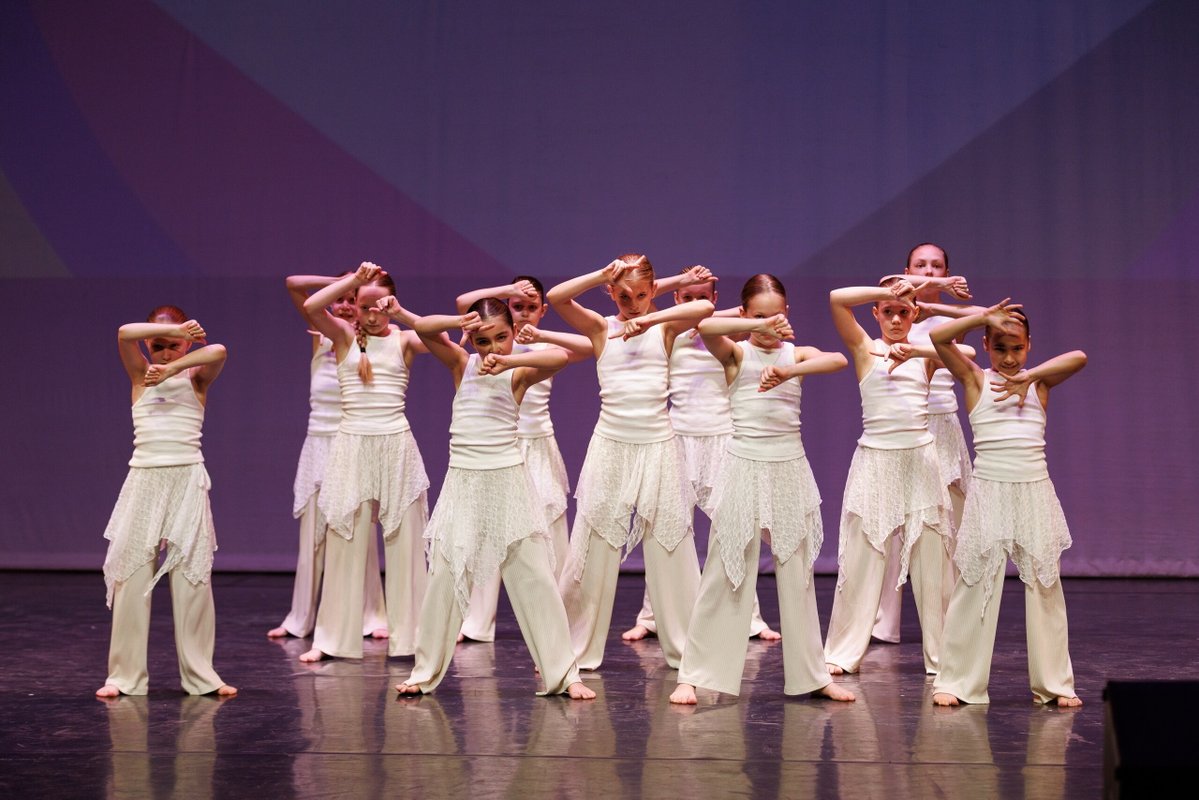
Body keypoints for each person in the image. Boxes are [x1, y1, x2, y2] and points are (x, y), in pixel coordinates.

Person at [394, 298, 594, 699]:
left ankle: (564, 674)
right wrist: (458, 320)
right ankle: (424, 672)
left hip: (508, 483)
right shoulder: (461, 364)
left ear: (513, 333)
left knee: (535, 578)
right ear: (472, 339)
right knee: (445, 577)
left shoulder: (518, 373)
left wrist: (510, 360)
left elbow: (561, 356)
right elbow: (425, 327)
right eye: (484, 341)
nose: (493, 348)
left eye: (502, 337)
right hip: (464, 483)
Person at [669, 274, 854, 704]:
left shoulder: (796, 354)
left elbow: (838, 360)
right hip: (743, 468)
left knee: (797, 572)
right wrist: (754, 327)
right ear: (745, 315)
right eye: (759, 317)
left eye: (776, 316)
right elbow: (705, 326)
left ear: (787, 314)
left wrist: (790, 370)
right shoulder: (737, 353)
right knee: (724, 570)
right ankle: (691, 675)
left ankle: (813, 675)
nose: (770, 325)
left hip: (789, 469)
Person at [548, 254, 714, 670]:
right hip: (611, 446)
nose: (634, 304)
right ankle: (572, 648)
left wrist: (652, 315)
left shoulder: (666, 327)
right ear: (610, 293)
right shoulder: (601, 328)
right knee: (594, 543)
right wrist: (599, 275)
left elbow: (704, 307)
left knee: (671, 543)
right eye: (624, 296)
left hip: (659, 446)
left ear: (654, 291)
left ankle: (686, 650)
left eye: (642, 295)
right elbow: (557, 298)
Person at [929, 301, 1085, 707]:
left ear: (1030, 345)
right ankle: (957, 681)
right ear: (985, 346)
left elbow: (1079, 357)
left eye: (1017, 348)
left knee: (1045, 585)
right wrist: (983, 316)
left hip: (1034, 492)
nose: (1010, 358)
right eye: (1000, 348)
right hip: (990, 492)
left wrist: (1030, 376)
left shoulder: (1039, 384)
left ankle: (1054, 684)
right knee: (974, 583)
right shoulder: (976, 379)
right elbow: (938, 338)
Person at [622, 267, 780, 643]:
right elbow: (651, 304)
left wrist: (712, 316)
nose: (694, 304)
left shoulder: (730, 329)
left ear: (714, 296)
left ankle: (751, 618)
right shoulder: (666, 330)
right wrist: (679, 290)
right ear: (676, 298)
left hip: (722, 439)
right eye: (686, 297)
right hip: (676, 438)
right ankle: (652, 616)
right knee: (665, 531)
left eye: (702, 297)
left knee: (734, 531)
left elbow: (742, 318)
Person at [822, 279, 967, 676]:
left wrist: (918, 349)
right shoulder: (865, 348)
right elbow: (837, 299)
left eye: (904, 311)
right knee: (863, 557)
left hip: (921, 462)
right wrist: (886, 291)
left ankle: (942, 658)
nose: (897, 319)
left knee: (933, 561)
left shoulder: (925, 355)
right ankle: (843, 652)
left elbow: (968, 352)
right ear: (876, 313)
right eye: (889, 311)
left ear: (915, 314)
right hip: (875, 461)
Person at [96, 308, 236, 697]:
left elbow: (219, 351)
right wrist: (175, 331)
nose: (165, 352)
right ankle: (124, 677)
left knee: (192, 577)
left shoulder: (195, 377)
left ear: (187, 345)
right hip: (144, 480)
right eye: (157, 346)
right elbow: (123, 331)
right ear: (148, 344)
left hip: (187, 479)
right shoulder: (139, 375)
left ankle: (201, 676)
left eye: (174, 345)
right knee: (131, 576)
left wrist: (175, 365)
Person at [298, 263, 430, 662]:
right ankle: (332, 638)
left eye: (380, 306)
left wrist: (403, 313)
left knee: (405, 543)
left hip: (396, 446)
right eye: (364, 306)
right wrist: (352, 281)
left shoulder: (405, 339)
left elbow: (441, 336)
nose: (372, 314)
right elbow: (311, 306)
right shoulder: (341, 336)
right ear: (354, 305)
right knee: (345, 539)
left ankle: (413, 637)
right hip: (351, 446)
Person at [450, 277, 591, 643]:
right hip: (500, 448)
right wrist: (506, 291)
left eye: (532, 307)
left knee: (548, 532)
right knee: (487, 531)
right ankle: (476, 621)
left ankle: (558, 627)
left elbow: (590, 346)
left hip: (537, 445)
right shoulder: (491, 344)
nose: (525, 312)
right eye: (518, 306)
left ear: (542, 310)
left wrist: (540, 335)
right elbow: (464, 301)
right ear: (508, 311)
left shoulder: (543, 347)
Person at [268, 273, 388, 641]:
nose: (346, 305)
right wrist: (347, 278)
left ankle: (371, 615)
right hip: (319, 445)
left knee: (358, 533)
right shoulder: (321, 337)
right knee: (313, 535)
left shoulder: (373, 342)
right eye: (341, 299)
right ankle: (300, 617)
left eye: (354, 300)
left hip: (354, 444)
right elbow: (293, 284)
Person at [871, 244, 975, 644]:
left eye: (937, 266)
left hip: (941, 423)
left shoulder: (947, 317)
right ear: (907, 270)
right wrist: (929, 291)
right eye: (920, 265)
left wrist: (936, 303)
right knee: (892, 524)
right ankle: (884, 622)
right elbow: (886, 290)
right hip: (899, 426)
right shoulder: (893, 306)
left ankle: (951, 620)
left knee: (948, 525)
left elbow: (975, 317)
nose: (929, 272)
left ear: (948, 272)